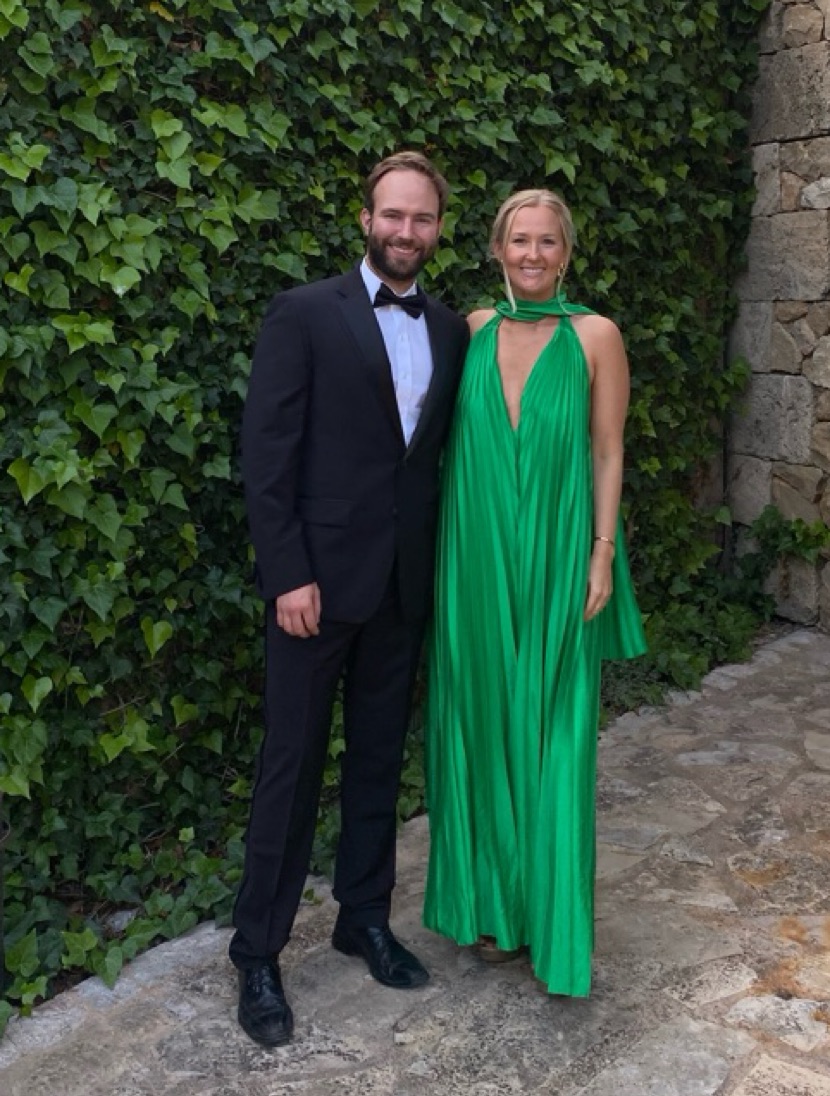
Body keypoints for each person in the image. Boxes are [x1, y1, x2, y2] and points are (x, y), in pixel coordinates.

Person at [232, 150, 469, 1046]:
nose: (406, 231)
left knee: (377, 762)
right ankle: (258, 952)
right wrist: (287, 572)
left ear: (438, 229)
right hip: (315, 587)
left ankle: (362, 917)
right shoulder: (303, 312)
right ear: (366, 219)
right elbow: (267, 454)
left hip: (402, 585)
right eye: (393, 215)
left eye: (422, 218)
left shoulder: (451, 329)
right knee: (290, 769)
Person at [423, 189, 646, 997]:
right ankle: (492, 910)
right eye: (519, 240)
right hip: (474, 557)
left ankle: (550, 926)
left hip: (557, 554)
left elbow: (608, 451)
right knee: (480, 725)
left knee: (555, 732)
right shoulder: (474, 330)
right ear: (496, 248)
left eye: (548, 241)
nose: (532, 254)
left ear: (567, 252)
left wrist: (600, 554)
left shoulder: (596, 336)